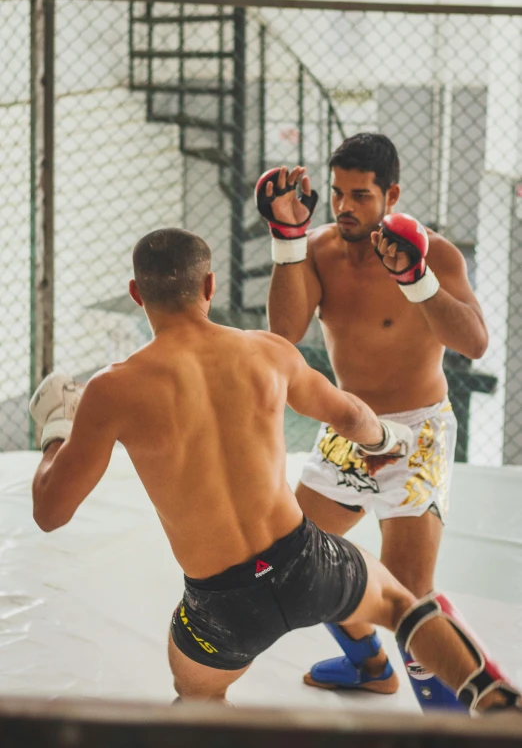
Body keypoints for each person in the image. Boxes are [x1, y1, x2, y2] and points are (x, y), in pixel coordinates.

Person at [29, 228, 516, 711]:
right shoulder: (267, 352)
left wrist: (56, 431)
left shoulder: (112, 390)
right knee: (402, 604)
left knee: (197, 696)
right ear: (210, 286)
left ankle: (364, 671)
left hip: (221, 607)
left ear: (136, 294)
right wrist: (389, 440)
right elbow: (350, 415)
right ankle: (490, 696)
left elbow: (50, 513)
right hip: (305, 562)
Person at [257, 133, 490, 710]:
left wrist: (418, 280)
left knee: (410, 592)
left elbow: (476, 343)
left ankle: (464, 714)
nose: (345, 207)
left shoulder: (434, 252)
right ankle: (368, 666)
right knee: (284, 561)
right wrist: (286, 240)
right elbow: (282, 337)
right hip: (350, 425)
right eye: (338, 193)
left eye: (360, 195)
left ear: (392, 195)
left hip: (419, 431)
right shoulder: (317, 250)